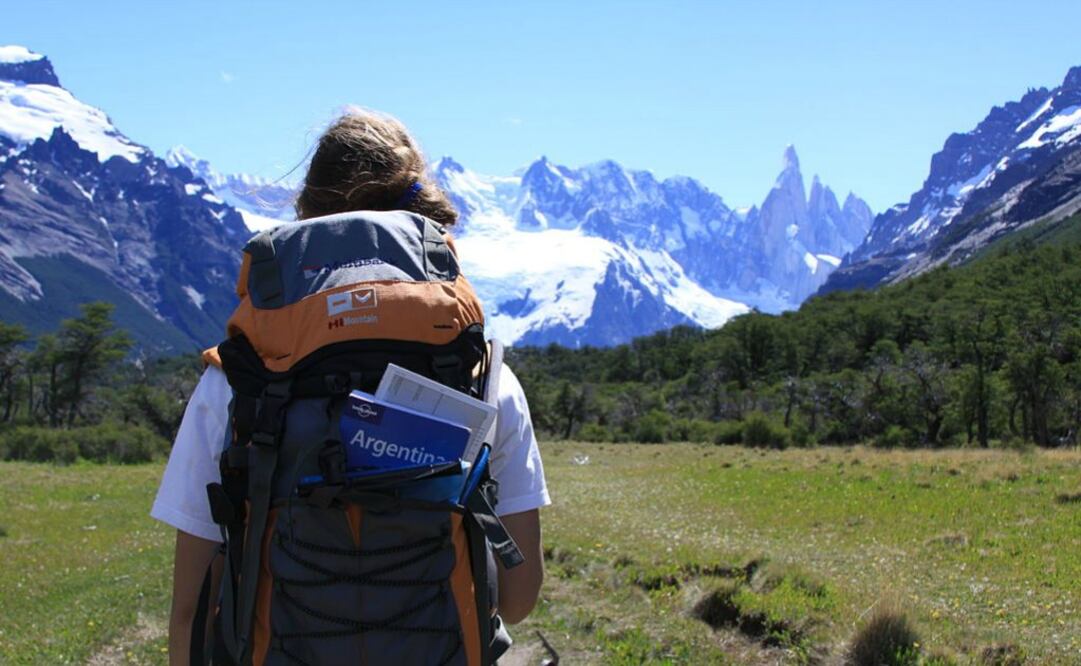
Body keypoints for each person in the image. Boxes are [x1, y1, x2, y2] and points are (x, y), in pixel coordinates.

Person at [151, 109, 550, 665]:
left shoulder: (239, 376)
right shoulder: (482, 374)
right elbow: (517, 595)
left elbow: (191, 614)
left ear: (305, 215)